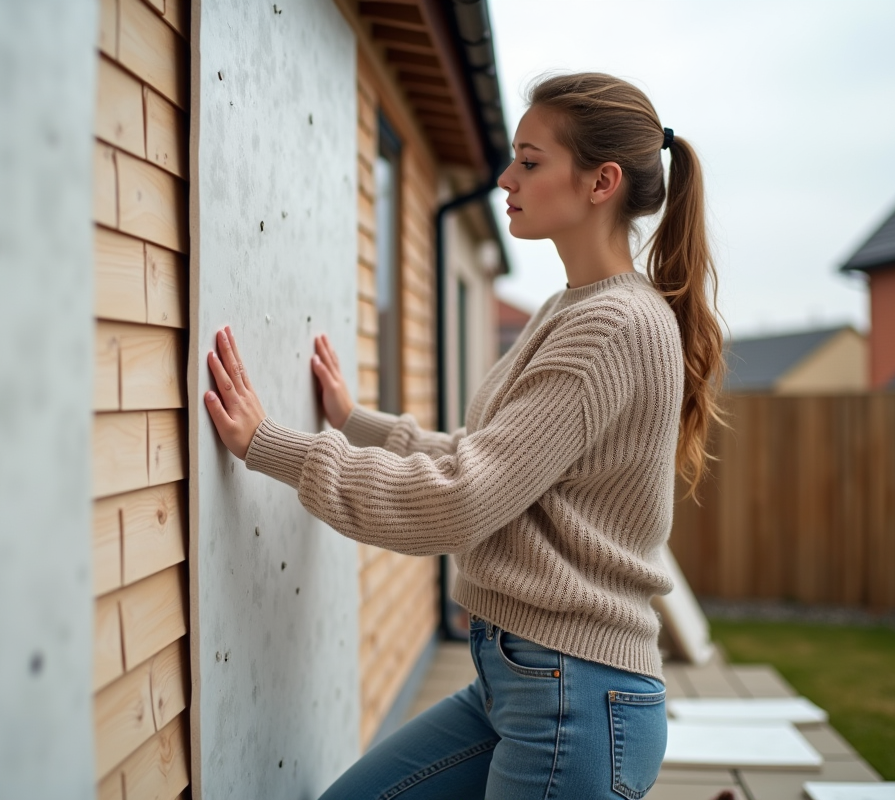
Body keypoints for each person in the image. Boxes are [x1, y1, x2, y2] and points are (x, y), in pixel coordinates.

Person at [203, 72, 724, 800]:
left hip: (574, 699)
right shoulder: (572, 309)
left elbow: (462, 499)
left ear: (601, 182)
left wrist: (272, 446)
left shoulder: (612, 328)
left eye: (530, 162)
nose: (506, 178)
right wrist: (356, 422)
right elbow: (490, 460)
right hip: (522, 681)